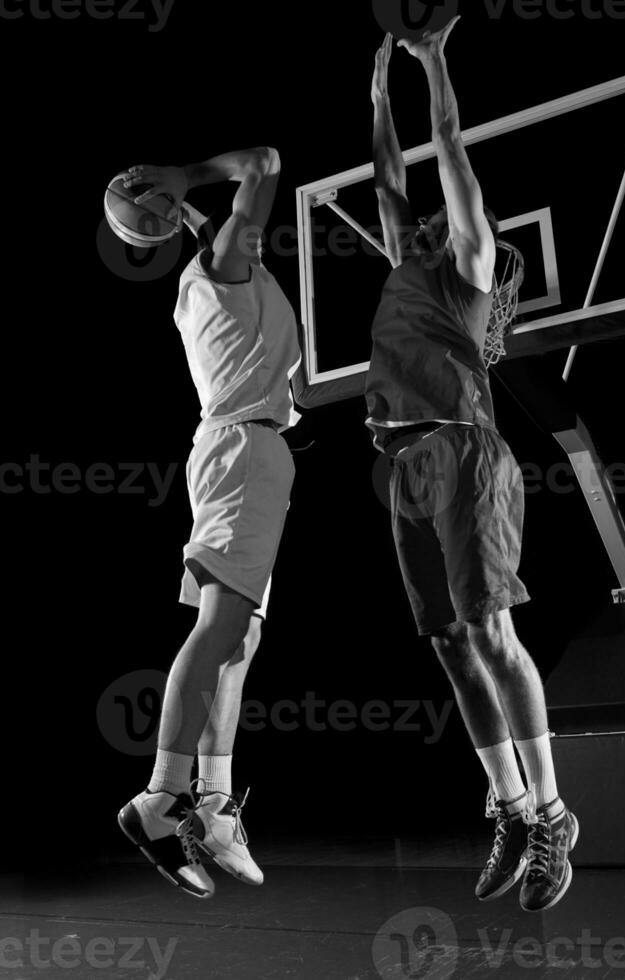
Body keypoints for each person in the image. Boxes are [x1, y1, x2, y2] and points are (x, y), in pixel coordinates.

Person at [366, 20, 578, 912]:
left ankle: (554, 815)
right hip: (399, 461)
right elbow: (387, 176)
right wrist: (375, 96)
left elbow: (445, 145)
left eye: (436, 218)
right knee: (451, 646)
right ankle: (512, 806)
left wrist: (430, 62)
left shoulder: (470, 265)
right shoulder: (400, 263)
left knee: (491, 633)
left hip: (462, 450)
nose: (415, 219)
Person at [117, 148, 301, 899]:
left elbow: (221, 226)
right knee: (222, 629)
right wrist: (184, 179)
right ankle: (159, 803)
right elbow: (263, 164)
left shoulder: (212, 275)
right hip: (242, 453)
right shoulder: (223, 266)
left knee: (238, 632)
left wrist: (181, 208)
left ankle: (215, 806)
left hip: (242, 451)